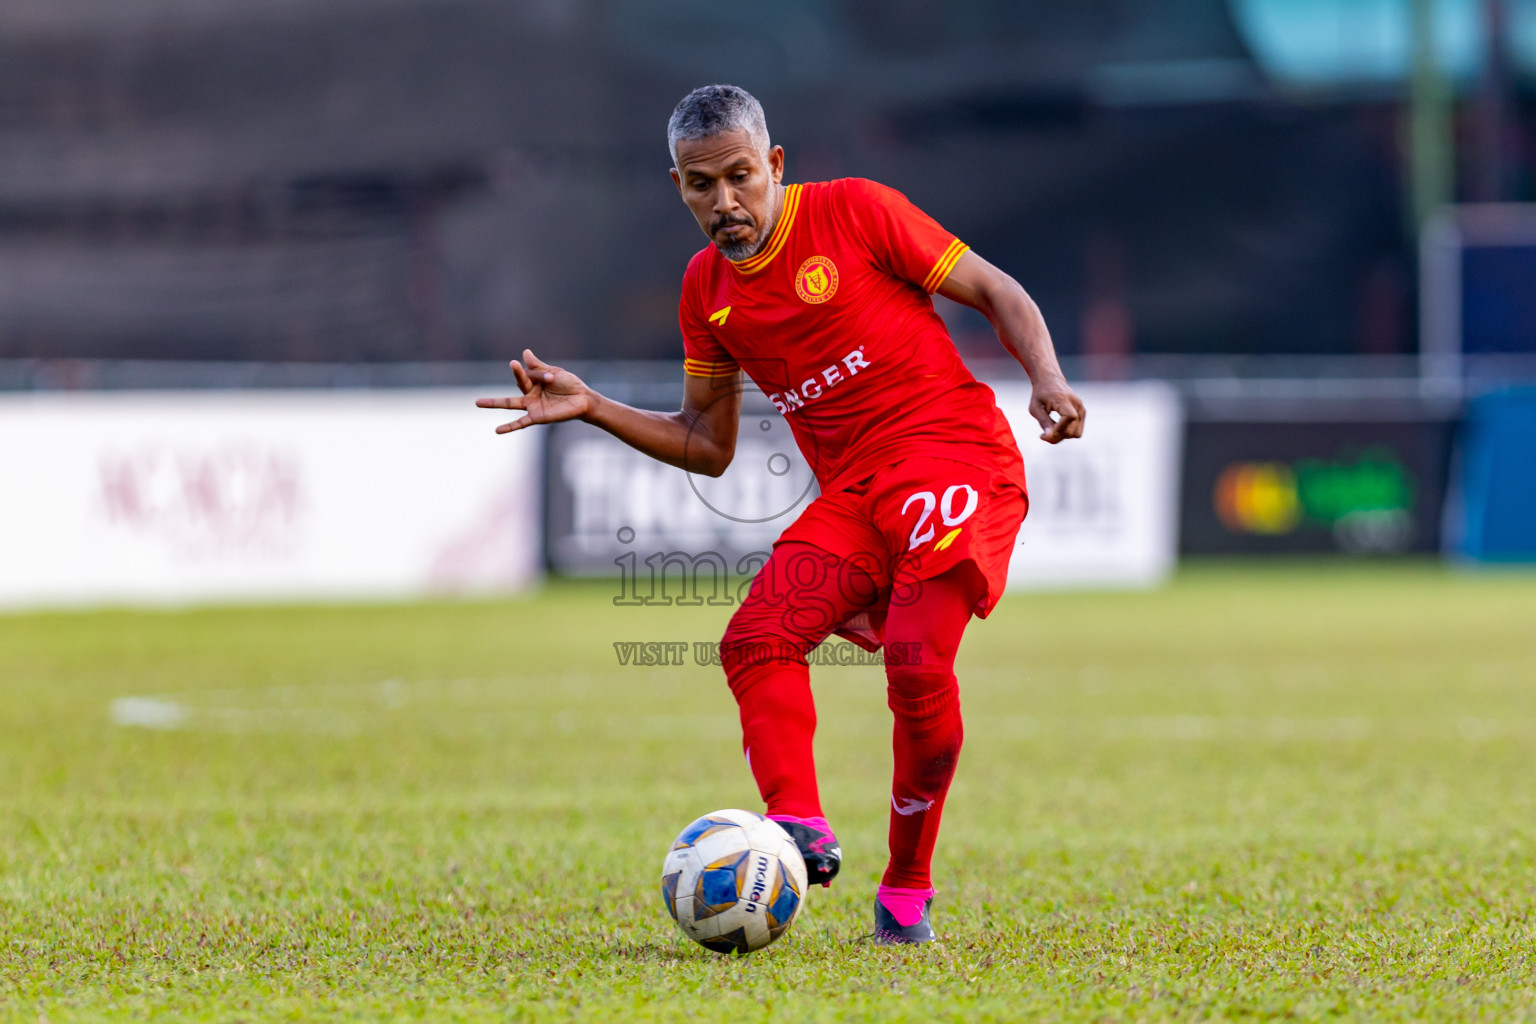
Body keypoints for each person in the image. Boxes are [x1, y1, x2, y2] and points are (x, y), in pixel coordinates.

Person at [478, 84, 1084, 944]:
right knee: (754, 640)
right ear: (678, 186)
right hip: (856, 496)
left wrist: (1048, 380)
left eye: (738, 178)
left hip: (955, 456)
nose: (723, 203)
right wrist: (594, 407)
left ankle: (908, 886)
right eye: (699, 185)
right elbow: (707, 443)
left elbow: (996, 289)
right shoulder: (704, 293)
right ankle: (798, 827)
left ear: (775, 165)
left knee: (915, 665)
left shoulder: (857, 213)